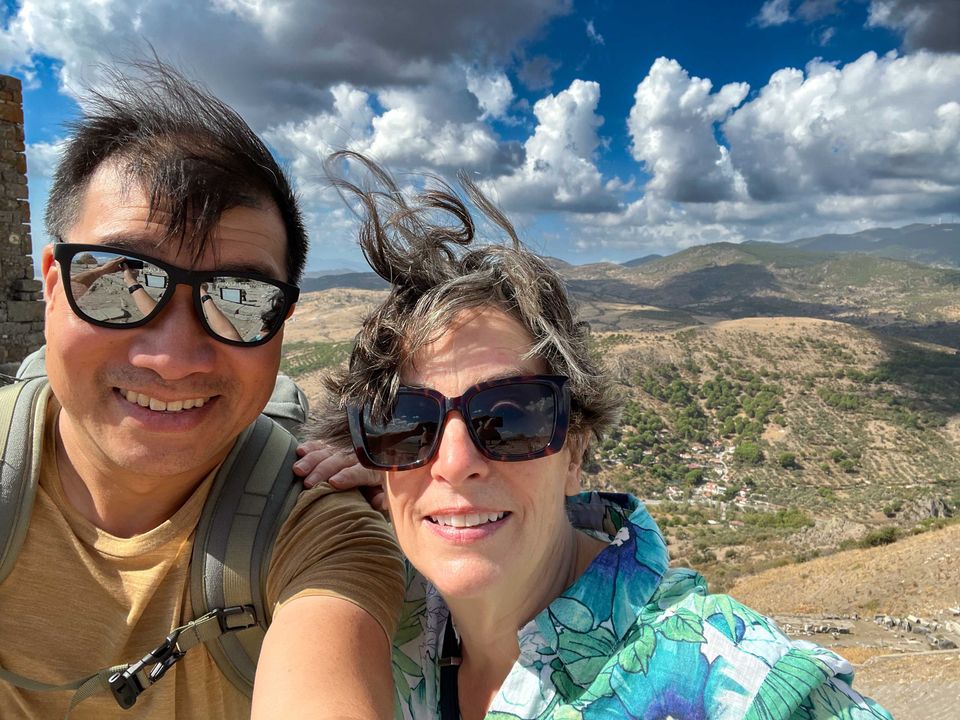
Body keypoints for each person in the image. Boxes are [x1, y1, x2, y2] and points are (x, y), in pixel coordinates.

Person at [298, 152, 892, 719]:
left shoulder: (724, 673)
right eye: (408, 424)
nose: (453, 463)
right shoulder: (389, 608)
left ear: (575, 448)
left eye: (509, 418)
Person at [0, 67, 403, 718]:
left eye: (239, 301)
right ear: (53, 284)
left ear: (282, 321)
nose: (173, 359)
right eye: (123, 280)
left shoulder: (317, 536)